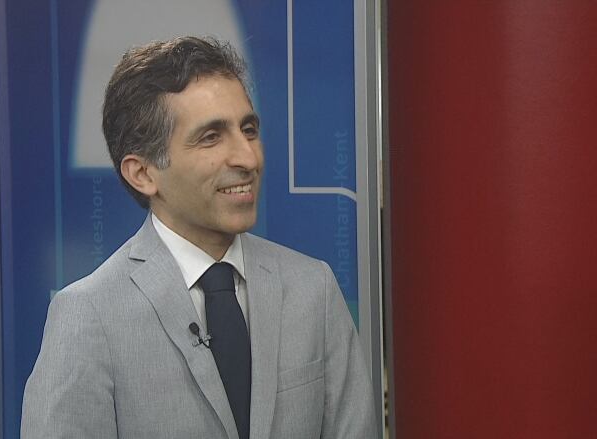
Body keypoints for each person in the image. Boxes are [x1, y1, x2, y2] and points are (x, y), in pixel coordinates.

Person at [21, 36, 376, 439]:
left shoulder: (314, 290)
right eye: (211, 137)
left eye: (249, 129)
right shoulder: (89, 315)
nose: (247, 158)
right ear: (143, 173)